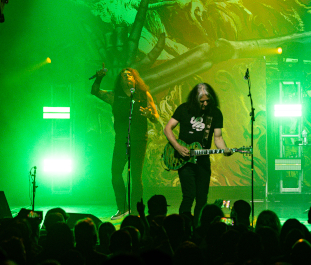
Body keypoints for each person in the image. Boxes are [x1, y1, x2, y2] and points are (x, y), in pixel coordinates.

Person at [91, 67, 160, 220]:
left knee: (136, 176)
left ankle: (135, 211)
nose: (127, 77)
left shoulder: (144, 95)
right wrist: (99, 78)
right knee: (116, 174)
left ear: (135, 79)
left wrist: (150, 114)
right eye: (123, 75)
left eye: (130, 75)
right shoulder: (114, 96)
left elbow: (156, 116)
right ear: (120, 80)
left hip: (139, 139)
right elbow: (95, 91)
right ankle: (122, 208)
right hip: (122, 140)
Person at [163, 83, 234, 218]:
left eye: (208, 101)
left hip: (203, 160)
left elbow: (218, 138)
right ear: (195, 99)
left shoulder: (215, 113)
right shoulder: (184, 109)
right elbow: (167, 129)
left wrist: (224, 149)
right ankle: (184, 225)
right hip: (185, 160)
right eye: (202, 101)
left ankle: (199, 225)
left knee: (202, 198)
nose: (205, 104)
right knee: (189, 196)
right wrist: (178, 147)